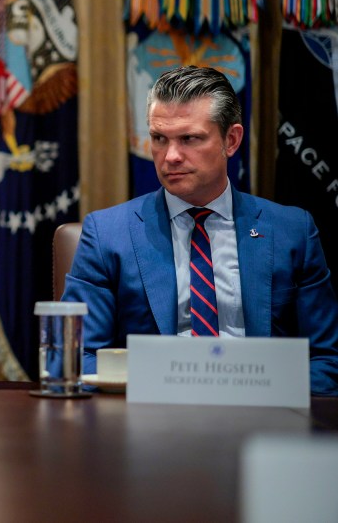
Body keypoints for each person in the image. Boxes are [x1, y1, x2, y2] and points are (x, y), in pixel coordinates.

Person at [64, 65, 338, 395]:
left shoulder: (292, 231)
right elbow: (79, 357)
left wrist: (255, 393)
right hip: (150, 421)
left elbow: (327, 359)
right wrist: (172, 388)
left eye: (190, 139)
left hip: (265, 417)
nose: (171, 156)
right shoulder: (107, 234)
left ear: (231, 140)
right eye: (159, 139)